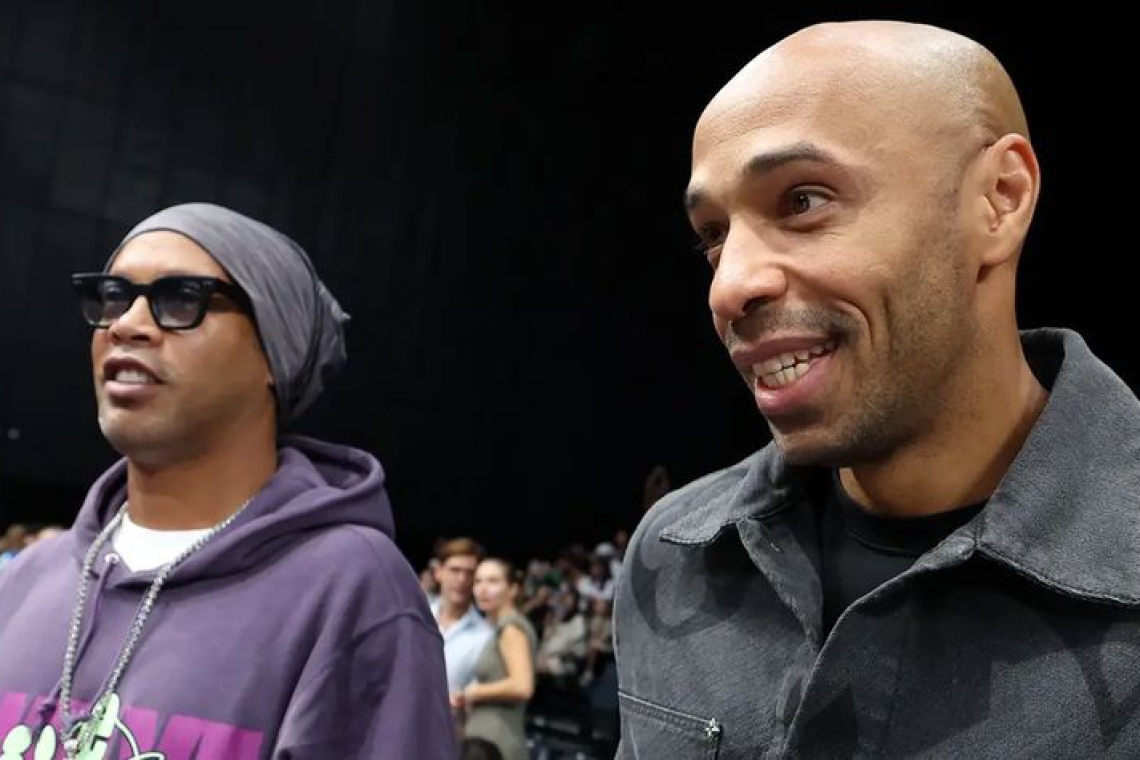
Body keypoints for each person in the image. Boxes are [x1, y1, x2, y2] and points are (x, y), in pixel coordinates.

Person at [613, 20, 1140, 758]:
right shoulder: (674, 557)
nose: (728, 287)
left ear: (1000, 198)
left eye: (803, 201)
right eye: (714, 234)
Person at [0, 202, 455, 758]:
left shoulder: (352, 590)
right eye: (114, 296)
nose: (126, 324)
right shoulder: (26, 581)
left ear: (275, 353)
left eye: (181, 298)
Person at [455, 558, 537, 760]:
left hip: (496, 740)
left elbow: (522, 686)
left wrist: (473, 692)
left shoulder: (511, 628)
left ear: (513, 589)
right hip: (487, 738)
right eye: (478, 581)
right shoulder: (501, 627)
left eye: (493, 581)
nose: (483, 589)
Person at [431, 537, 494, 695]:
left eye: (470, 573)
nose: (462, 579)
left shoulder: (486, 636)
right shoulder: (415, 618)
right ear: (438, 572)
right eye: (455, 570)